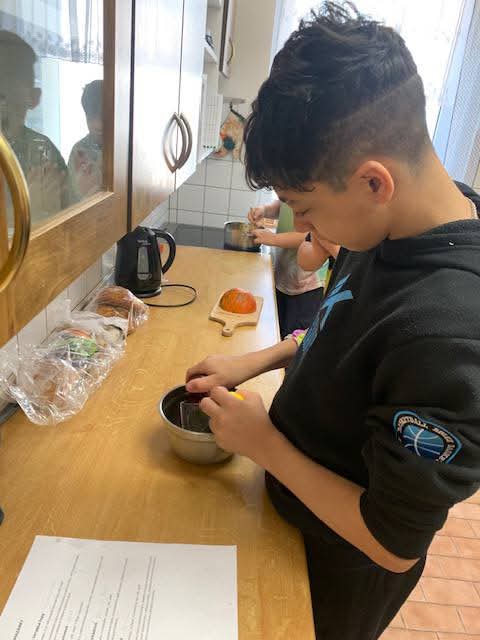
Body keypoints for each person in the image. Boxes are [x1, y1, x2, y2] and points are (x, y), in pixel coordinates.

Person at [185, 3, 480, 639]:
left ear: (374, 182)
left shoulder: (453, 333)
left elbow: (392, 542)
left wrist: (264, 443)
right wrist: (257, 359)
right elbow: (342, 331)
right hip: (290, 518)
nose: (305, 229)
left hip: (338, 571)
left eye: (306, 209)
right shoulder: (394, 223)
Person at [0, 30, 70, 224]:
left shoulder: (44, 150)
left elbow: (68, 209)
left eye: (5, 99)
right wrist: (32, 211)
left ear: (34, 97)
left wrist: (80, 193)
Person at [248, 198, 338, 338]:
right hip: (283, 276)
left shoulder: (319, 199)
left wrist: (274, 239)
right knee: (278, 332)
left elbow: (311, 236)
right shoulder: (290, 190)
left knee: (294, 336)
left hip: (306, 287)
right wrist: (265, 210)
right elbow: (282, 205)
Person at [68, 79, 103, 201]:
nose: (98, 125)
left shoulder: (127, 150)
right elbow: (70, 199)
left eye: (103, 117)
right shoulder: (79, 150)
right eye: (91, 117)